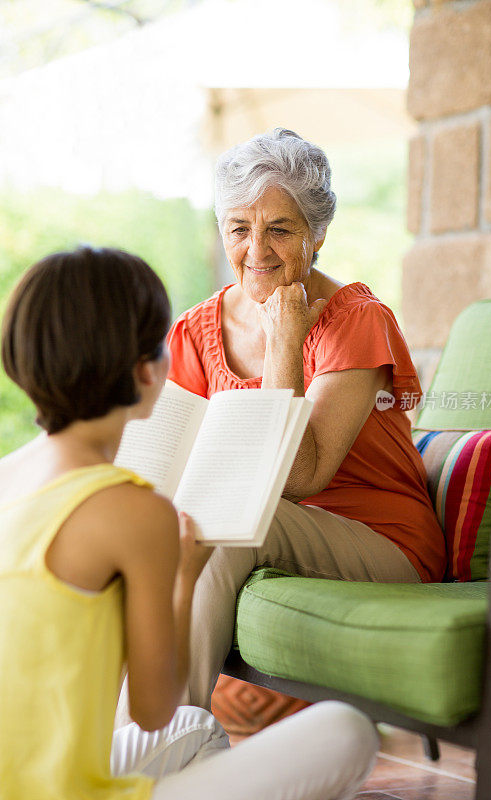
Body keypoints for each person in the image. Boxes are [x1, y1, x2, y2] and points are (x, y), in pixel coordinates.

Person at [0, 245, 378, 800]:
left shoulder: (10, 475)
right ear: (148, 370)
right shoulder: (133, 511)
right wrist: (184, 576)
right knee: (347, 731)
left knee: (198, 729)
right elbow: (153, 708)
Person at [166, 128, 447, 710]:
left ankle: (158, 744)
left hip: (381, 540)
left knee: (229, 524)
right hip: (269, 527)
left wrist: (285, 342)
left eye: (280, 229)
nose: (257, 250)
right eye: (240, 229)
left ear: (318, 235)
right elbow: (169, 462)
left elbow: (299, 476)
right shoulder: (195, 330)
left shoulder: (356, 320)